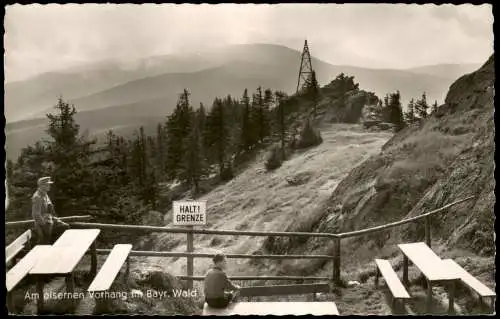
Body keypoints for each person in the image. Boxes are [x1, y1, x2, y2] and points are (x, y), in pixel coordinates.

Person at [32, 176, 69, 244]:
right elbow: (36, 214)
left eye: (49, 184)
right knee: (44, 244)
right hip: (43, 225)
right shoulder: (38, 197)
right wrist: (43, 225)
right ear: (42, 186)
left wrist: (57, 220)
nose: (49, 186)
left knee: (65, 226)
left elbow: (49, 210)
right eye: (47, 184)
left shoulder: (45, 194)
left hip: (50, 221)